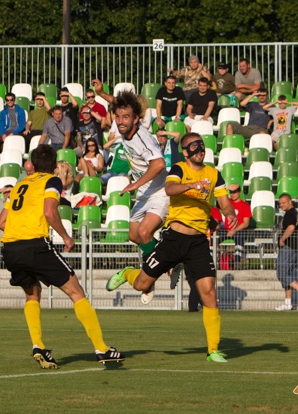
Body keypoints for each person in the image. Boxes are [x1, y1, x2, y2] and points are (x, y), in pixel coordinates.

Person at [106, 132, 237, 362]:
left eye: (202, 146)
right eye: (194, 147)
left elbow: (224, 202)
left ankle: (213, 350)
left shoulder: (214, 174)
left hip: (198, 242)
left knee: (209, 293)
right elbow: (169, 189)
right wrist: (193, 185)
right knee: (142, 284)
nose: (200, 150)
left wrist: (229, 215)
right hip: (173, 238)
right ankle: (127, 273)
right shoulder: (178, 169)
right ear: (185, 152)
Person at [0, 144, 125, 368]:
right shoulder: (51, 181)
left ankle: (38, 346)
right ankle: (102, 349)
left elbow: (0, 223)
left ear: (32, 165)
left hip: (10, 248)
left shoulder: (18, 185)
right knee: (76, 292)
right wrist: (66, 237)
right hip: (35, 245)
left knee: (33, 294)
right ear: (54, 165)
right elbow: (49, 211)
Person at [93, 81, 171, 303]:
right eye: (118, 117)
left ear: (137, 118)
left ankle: (148, 282)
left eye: (126, 117)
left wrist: (135, 184)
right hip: (144, 194)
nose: (120, 121)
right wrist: (101, 94)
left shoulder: (142, 138)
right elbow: (118, 104)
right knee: (133, 236)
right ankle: (168, 258)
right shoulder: (123, 123)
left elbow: (158, 164)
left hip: (159, 192)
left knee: (145, 233)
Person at [274, 194, 298, 310]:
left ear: (290, 202)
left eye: (283, 202)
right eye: (280, 203)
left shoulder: (290, 214)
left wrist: (282, 239)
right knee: (288, 275)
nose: (281, 205)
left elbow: (291, 228)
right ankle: (288, 303)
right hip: (295, 249)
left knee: (282, 274)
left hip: (288, 248)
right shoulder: (296, 214)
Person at [226, 184, 254, 265]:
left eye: (235, 192)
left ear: (239, 192)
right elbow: (217, 195)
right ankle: (213, 262)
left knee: (239, 236)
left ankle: (237, 261)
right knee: (214, 237)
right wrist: (227, 188)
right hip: (227, 230)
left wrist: (234, 230)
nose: (232, 194)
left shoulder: (245, 205)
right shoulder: (227, 203)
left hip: (239, 230)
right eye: (231, 192)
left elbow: (246, 223)